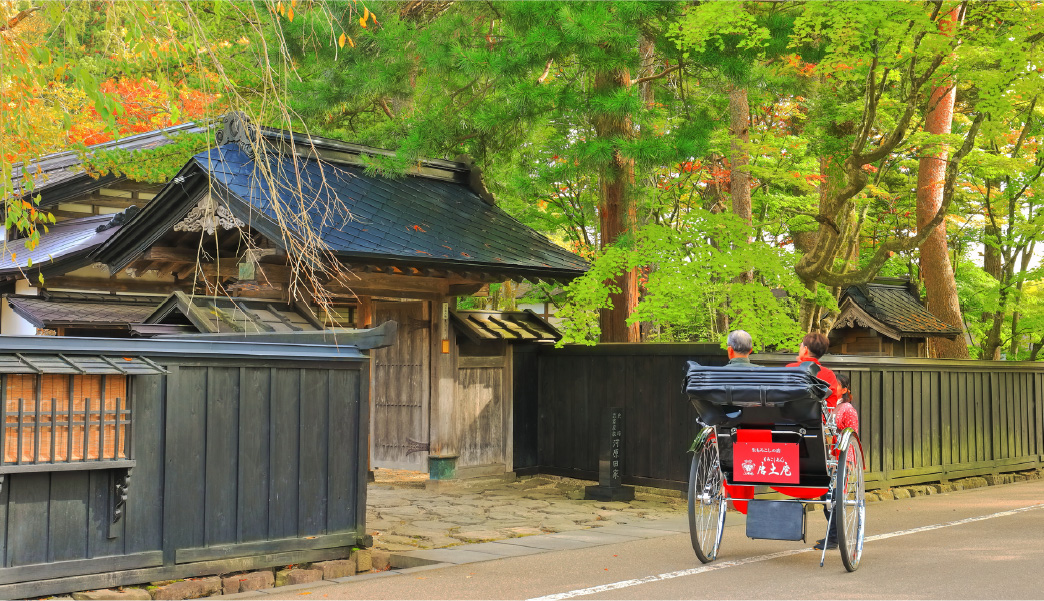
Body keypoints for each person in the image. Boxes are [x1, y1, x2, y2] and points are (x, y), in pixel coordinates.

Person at [814, 373, 860, 550]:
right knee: (825, 497)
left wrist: (847, 461)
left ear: (845, 390)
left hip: (840, 457)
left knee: (832, 497)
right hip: (826, 456)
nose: (832, 387)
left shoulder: (847, 409)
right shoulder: (826, 406)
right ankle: (833, 535)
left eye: (836, 384)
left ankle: (834, 537)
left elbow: (852, 436)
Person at [787, 332, 841, 409]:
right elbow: (831, 404)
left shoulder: (790, 368)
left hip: (791, 417)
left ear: (805, 349)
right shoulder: (828, 374)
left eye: (801, 345)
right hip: (817, 418)